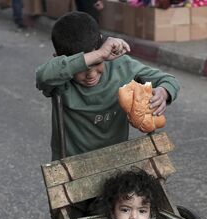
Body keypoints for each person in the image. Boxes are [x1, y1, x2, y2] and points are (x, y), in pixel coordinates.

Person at [35, 11, 180, 161]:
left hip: (116, 159)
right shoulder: (61, 78)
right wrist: (99, 55)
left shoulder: (120, 66)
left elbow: (168, 80)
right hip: (72, 165)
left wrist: (163, 92)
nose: (91, 75)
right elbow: (42, 76)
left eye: (97, 64)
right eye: (81, 67)